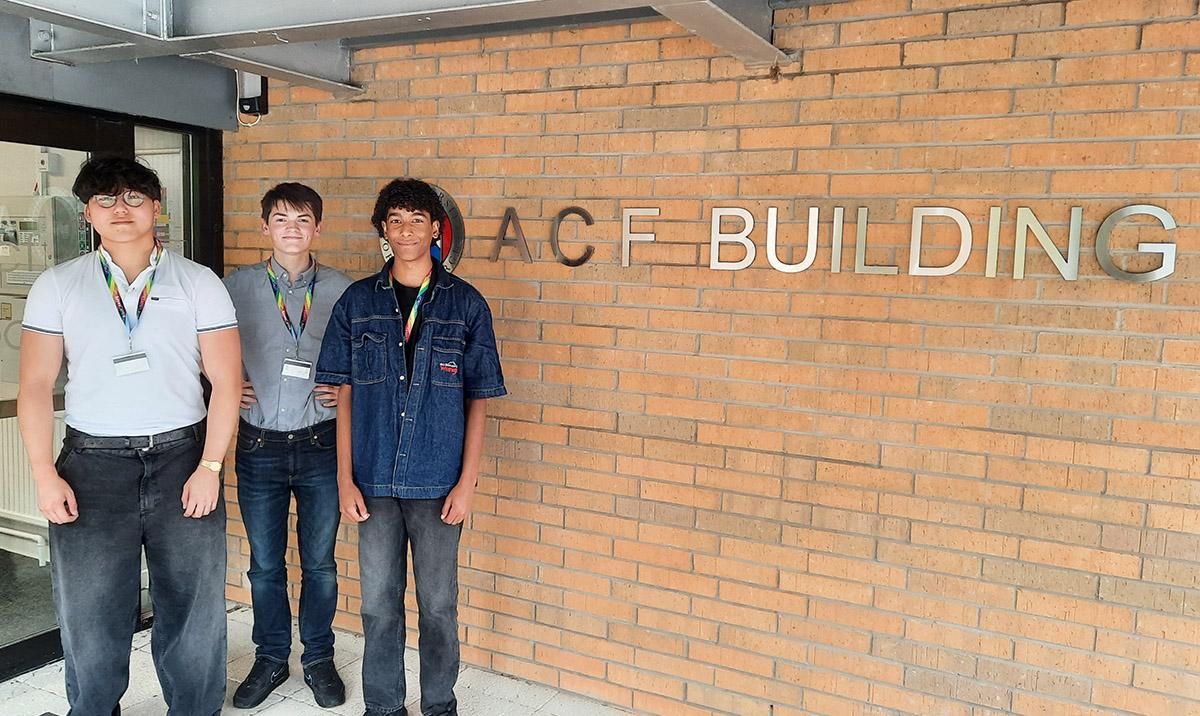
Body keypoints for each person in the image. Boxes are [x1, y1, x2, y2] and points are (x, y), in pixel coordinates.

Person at [17, 155, 241, 716]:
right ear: (88, 212)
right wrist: (45, 474)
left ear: (156, 205)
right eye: (106, 199)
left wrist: (211, 467)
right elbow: (36, 387)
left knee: (192, 609)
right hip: (92, 465)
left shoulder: (197, 281)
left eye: (134, 197)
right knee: (90, 611)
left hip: (182, 459)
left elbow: (227, 381)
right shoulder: (58, 285)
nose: (122, 209)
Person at [316, 178, 505, 716]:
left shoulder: (466, 304)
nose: (406, 230)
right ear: (383, 229)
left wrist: (467, 484)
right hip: (371, 482)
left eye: (416, 220)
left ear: (435, 229)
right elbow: (344, 394)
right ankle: (384, 706)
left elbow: (479, 400)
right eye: (395, 220)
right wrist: (344, 478)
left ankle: (439, 704)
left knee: (439, 606)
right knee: (378, 607)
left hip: (439, 485)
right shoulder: (357, 302)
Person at [223, 182, 352, 708]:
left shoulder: (344, 290)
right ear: (265, 227)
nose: (292, 228)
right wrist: (225, 387)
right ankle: (272, 658)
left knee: (320, 562)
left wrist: (343, 388)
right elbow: (200, 350)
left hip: (322, 443)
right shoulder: (234, 288)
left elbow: (366, 362)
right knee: (265, 564)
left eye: (302, 219)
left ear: (318, 228)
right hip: (259, 446)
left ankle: (318, 658)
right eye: (281, 219)